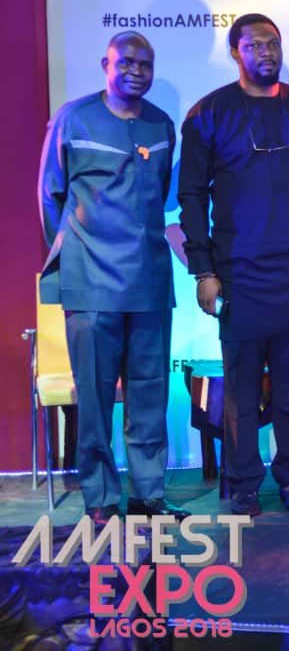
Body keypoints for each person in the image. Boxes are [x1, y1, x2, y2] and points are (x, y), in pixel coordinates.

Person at [178, 14, 289, 516]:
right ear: (235, 53)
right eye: (255, 45)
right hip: (240, 274)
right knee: (242, 391)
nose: (267, 52)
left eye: (273, 43)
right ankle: (243, 483)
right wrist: (204, 271)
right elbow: (191, 196)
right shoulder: (208, 114)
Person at [38, 31, 189, 524]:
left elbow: (160, 196)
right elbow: (50, 196)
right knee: (96, 397)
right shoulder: (73, 118)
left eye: (145, 64)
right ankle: (101, 499)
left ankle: (148, 495)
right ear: (106, 64)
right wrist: (74, 253)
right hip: (90, 283)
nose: (136, 71)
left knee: (149, 394)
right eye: (126, 62)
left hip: (149, 283)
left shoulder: (161, 125)